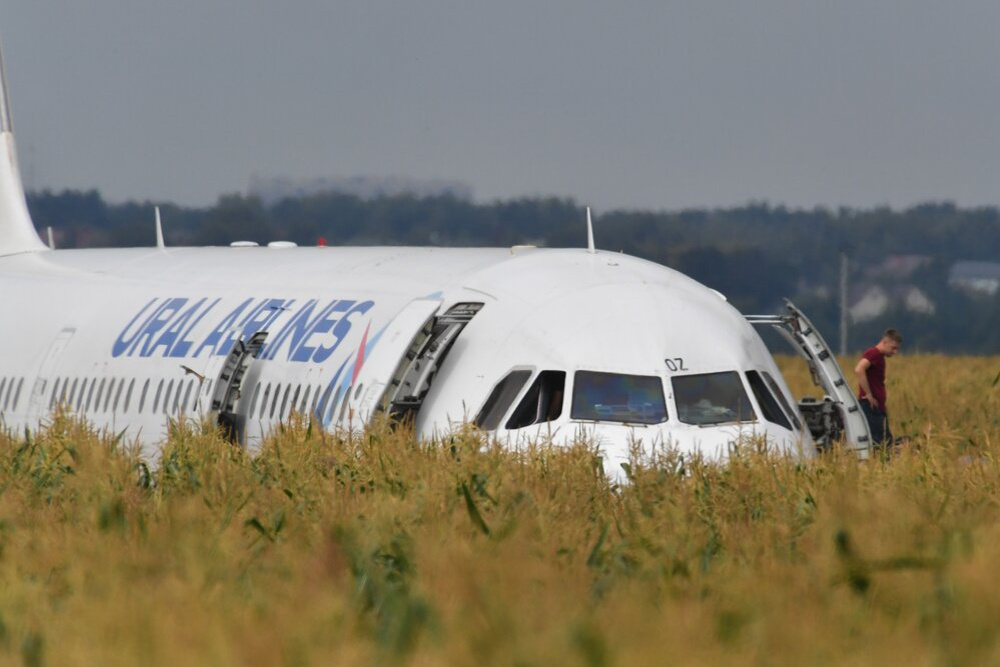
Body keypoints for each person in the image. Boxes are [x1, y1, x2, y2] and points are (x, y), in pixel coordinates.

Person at [854, 329, 902, 448]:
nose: (895, 352)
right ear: (885, 342)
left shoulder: (879, 356)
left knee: (885, 441)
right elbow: (859, 369)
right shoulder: (874, 353)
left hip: (876, 406)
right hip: (870, 406)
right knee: (882, 444)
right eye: (893, 348)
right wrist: (869, 395)